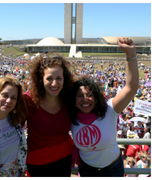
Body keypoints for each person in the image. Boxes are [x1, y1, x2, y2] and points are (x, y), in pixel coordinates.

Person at [69, 37, 139, 177]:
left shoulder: (109, 109)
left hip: (112, 169)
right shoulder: (70, 115)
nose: (85, 99)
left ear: (97, 96)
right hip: (87, 169)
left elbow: (131, 88)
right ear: (74, 99)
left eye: (89, 95)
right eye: (80, 95)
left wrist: (130, 55)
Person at [23, 53, 74, 177]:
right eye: (49, 78)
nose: (54, 83)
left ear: (64, 79)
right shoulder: (28, 100)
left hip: (65, 158)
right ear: (41, 79)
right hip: (37, 162)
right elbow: (13, 128)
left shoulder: (70, 99)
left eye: (59, 78)